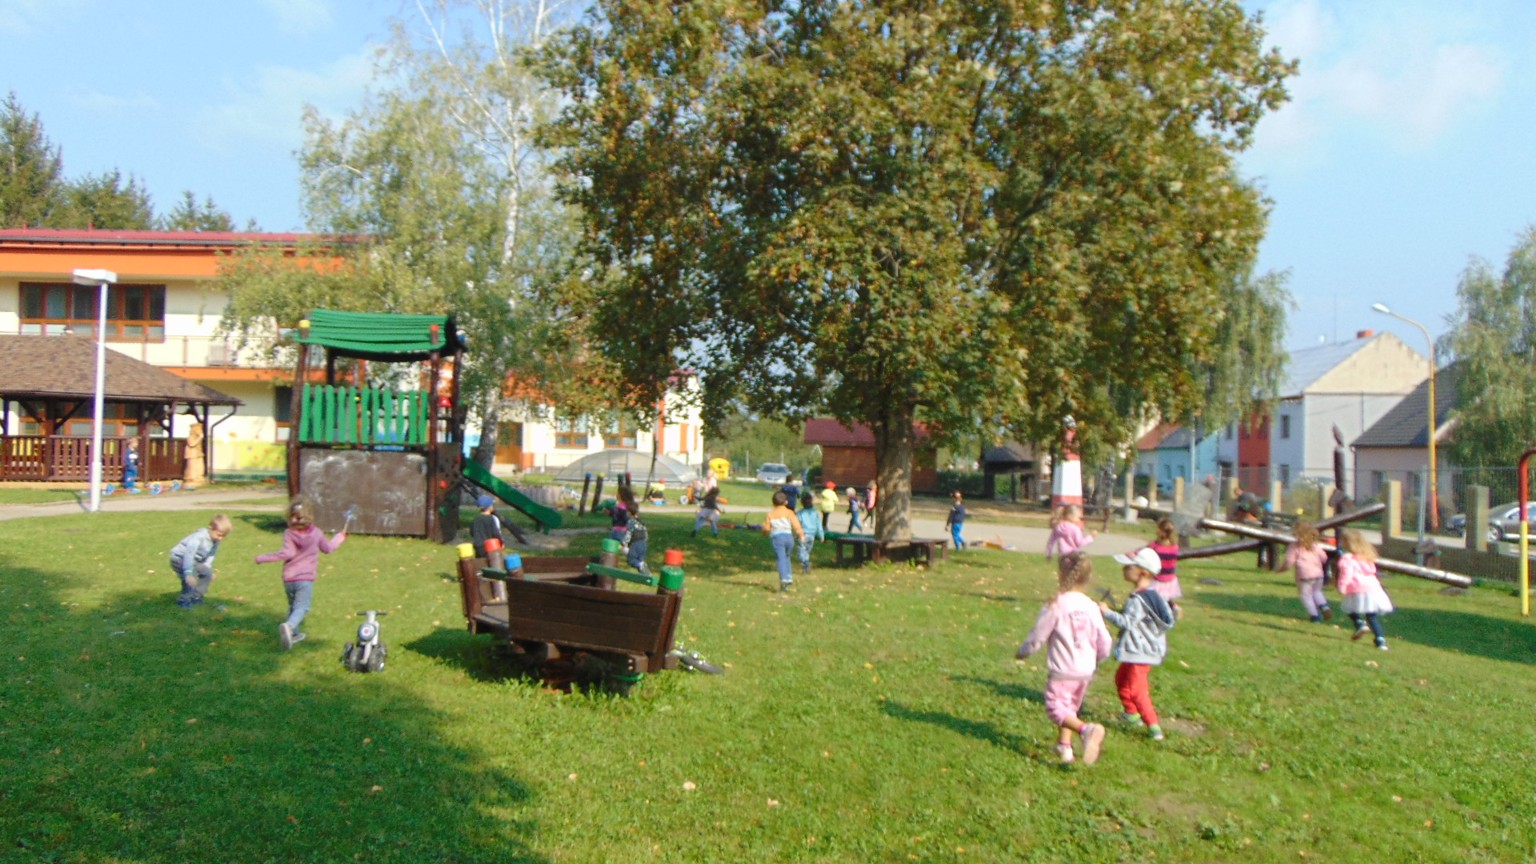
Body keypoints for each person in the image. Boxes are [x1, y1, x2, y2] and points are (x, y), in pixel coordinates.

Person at [1016, 551, 1113, 764]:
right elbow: (1105, 639)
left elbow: (1038, 635)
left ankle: (1086, 730)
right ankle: (1064, 747)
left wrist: (1024, 651)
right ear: (1088, 577)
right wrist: (1098, 658)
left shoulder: (1056, 604)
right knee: (1069, 708)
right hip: (1086, 670)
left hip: (1064, 670)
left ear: (1060, 574)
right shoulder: (1091, 606)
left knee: (1055, 708)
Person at [1100, 547, 1178, 741]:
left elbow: (1127, 623)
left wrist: (1106, 612)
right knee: (1121, 679)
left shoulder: (1139, 600)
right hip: (1137, 650)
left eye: (1129, 567)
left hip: (1141, 652)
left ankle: (1154, 727)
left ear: (1143, 572)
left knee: (1137, 689)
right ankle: (1131, 714)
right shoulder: (1149, 594)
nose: (1124, 569)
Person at [255, 496, 347, 650]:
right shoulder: (316, 533)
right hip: (305, 579)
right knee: (302, 607)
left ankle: (293, 635)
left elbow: (286, 553)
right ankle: (290, 626)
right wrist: (339, 537)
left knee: (293, 607)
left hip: (289, 578)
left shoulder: (289, 533)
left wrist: (263, 557)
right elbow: (328, 548)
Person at [1336, 529, 1392, 651]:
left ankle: (1359, 624)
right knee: (1371, 616)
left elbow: (1346, 574)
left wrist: (1342, 586)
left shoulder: (1348, 558)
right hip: (1373, 588)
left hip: (1357, 588)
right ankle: (1380, 640)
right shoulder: (1366, 557)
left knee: (1350, 609)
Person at [169, 514, 232, 608]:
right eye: (219, 535)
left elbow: (211, 555)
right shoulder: (199, 537)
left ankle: (196, 597)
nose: (220, 538)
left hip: (194, 561)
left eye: (224, 536)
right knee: (191, 578)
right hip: (179, 558)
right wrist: (188, 572)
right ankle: (183, 600)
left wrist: (208, 568)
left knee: (207, 573)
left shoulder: (215, 541)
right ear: (211, 528)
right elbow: (189, 554)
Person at [1284, 520, 1333, 623]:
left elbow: (1289, 561)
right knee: (1317, 592)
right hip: (1318, 574)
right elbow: (1324, 558)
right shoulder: (1316, 546)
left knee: (1306, 596)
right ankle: (1324, 606)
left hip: (1304, 576)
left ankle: (1315, 616)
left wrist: (1283, 568)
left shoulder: (1294, 546)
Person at [763, 490, 805, 592]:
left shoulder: (771, 514)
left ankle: (784, 578)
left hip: (777, 538)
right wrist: (801, 535)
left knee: (780, 558)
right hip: (789, 537)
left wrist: (764, 533)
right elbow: (796, 525)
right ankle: (789, 576)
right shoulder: (789, 512)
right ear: (786, 502)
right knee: (787, 556)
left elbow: (766, 528)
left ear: (773, 503)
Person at [471, 495, 507, 600]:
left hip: (478, 545)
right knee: (492, 563)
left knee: (480, 562)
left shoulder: (476, 519)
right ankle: (492, 580)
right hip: (490, 546)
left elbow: (472, 531)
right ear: (490, 507)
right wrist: (501, 542)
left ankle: (479, 579)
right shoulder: (491, 519)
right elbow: (495, 533)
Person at [1148, 518, 1183, 619]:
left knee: (1155, 597)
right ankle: (1174, 607)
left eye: (1158, 529)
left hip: (1158, 577)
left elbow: (1146, 553)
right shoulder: (1174, 547)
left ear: (1161, 531)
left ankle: (1158, 613)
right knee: (1166, 597)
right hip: (1170, 577)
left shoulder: (1155, 546)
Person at [796, 491, 824, 575]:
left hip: (803, 534)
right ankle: (806, 566)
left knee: (801, 550)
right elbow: (818, 524)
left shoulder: (800, 513)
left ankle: (806, 563)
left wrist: (796, 533)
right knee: (807, 551)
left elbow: (797, 524)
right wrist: (821, 535)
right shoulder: (814, 513)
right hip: (812, 535)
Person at [623, 508, 651, 577]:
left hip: (636, 543)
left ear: (629, 513)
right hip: (643, 543)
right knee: (640, 560)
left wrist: (625, 544)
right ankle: (646, 576)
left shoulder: (631, 521)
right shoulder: (641, 522)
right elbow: (646, 533)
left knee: (631, 560)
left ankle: (641, 565)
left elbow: (629, 533)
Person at [183, 421, 206, 487]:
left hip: (198, 454)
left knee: (200, 467)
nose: (200, 431)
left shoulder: (197, 437)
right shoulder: (190, 437)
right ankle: (191, 479)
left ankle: (198, 478)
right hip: (192, 454)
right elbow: (192, 444)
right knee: (192, 468)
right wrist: (199, 438)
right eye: (198, 429)